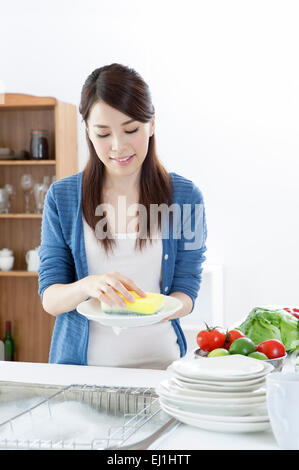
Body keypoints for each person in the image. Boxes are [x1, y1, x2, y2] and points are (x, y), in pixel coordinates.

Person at [38, 63, 207, 369]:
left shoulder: (185, 197)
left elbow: (187, 290)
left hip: (161, 370)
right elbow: (50, 299)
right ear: (87, 131)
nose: (118, 147)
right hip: (81, 378)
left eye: (131, 130)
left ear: (152, 124)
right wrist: (87, 286)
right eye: (103, 134)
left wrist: (158, 308)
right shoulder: (62, 198)